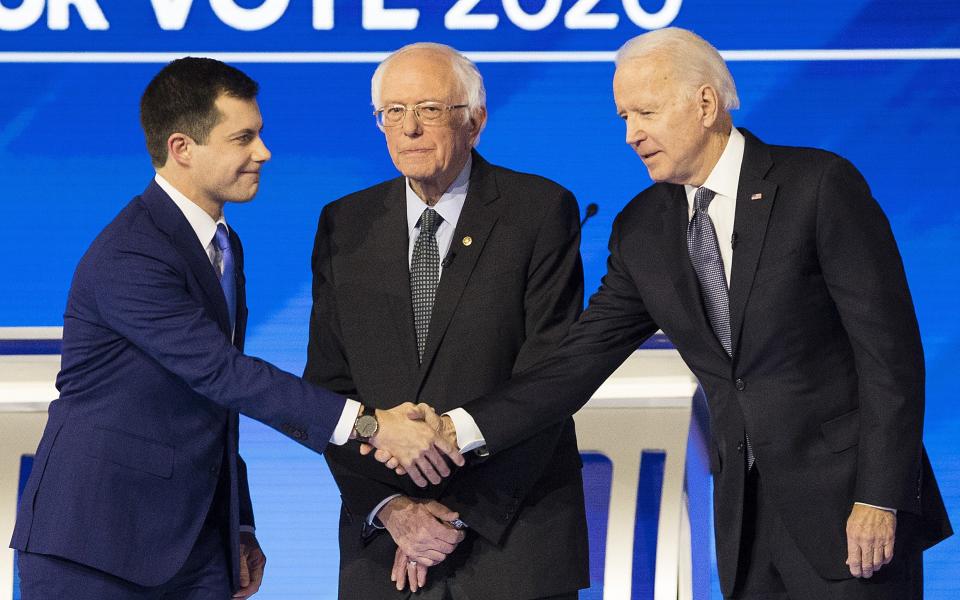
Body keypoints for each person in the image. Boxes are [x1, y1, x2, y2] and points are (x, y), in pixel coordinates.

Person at [377, 28, 954, 599]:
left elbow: (889, 355)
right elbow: (575, 363)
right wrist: (459, 428)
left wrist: (880, 496)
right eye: (623, 117)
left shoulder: (817, 185)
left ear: (704, 104)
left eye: (645, 113)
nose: (631, 134)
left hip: (849, 509)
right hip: (745, 520)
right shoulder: (644, 228)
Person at [10, 57, 460, 600]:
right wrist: (372, 426)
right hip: (96, 546)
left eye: (260, 134)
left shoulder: (222, 244)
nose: (263, 152)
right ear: (182, 148)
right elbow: (224, 374)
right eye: (243, 138)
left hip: (195, 544)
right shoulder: (132, 252)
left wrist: (237, 524)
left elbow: (214, 409)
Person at [304, 43, 589, 599]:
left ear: (475, 121)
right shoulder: (345, 224)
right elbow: (328, 391)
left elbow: (551, 380)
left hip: (512, 543)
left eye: (430, 109)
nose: (409, 128)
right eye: (393, 112)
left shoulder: (538, 211)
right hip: (385, 554)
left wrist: (455, 517)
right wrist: (391, 509)